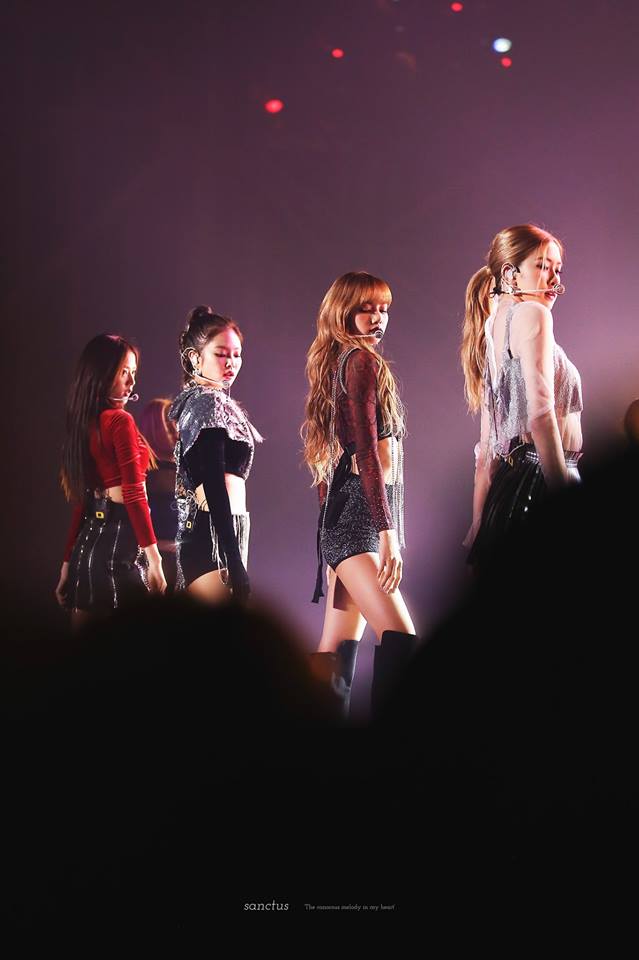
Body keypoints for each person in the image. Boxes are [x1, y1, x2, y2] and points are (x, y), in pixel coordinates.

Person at [302, 271, 417, 717]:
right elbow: (367, 453)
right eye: (366, 309)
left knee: (335, 653)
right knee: (400, 637)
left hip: (345, 520)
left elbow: (333, 461)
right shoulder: (361, 362)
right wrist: (388, 535)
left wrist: (329, 536)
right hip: (358, 524)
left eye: (383, 309)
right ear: (343, 312)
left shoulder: (341, 362)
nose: (377, 318)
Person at [461, 224, 583, 569]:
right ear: (510, 274)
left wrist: (479, 520)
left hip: (513, 487)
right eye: (542, 266)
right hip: (544, 479)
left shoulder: (493, 327)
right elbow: (541, 415)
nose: (554, 281)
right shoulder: (533, 314)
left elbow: (488, 448)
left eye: (558, 270)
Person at [55, 334, 166, 628]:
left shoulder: (86, 423)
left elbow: (82, 503)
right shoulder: (119, 421)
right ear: (103, 376)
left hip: (87, 551)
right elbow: (134, 492)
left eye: (133, 372)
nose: (131, 381)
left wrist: (67, 565)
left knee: (86, 651)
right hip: (118, 549)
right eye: (123, 372)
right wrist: (154, 559)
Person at [169, 306, 262, 603]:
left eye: (237, 354)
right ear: (195, 358)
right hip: (213, 537)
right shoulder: (208, 403)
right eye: (221, 354)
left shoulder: (204, 401)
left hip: (221, 532)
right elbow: (213, 484)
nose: (231, 362)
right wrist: (234, 561)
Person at [139, 398, 179, 589]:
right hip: (159, 559)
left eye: (175, 423)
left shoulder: (183, 467)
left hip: (182, 557)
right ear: (154, 428)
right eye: (168, 426)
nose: (175, 429)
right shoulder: (149, 472)